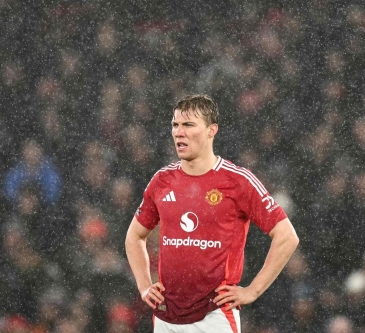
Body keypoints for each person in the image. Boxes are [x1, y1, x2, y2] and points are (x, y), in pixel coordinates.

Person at [125, 94, 300, 333]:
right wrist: (145, 285)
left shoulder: (237, 181)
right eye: (175, 125)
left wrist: (252, 291)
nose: (179, 132)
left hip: (214, 316)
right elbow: (134, 236)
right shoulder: (162, 181)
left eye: (188, 125)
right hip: (166, 316)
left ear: (211, 130)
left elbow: (287, 236)